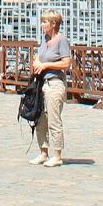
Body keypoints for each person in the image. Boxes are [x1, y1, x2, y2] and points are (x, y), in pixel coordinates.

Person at [30, 10, 74, 167]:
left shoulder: (61, 40)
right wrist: (36, 61)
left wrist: (46, 65)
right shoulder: (45, 39)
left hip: (54, 83)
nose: (42, 25)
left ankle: (57, 154)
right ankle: (43, 151)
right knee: (40, 118)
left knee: (53, 119)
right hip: (42, 83)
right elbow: (40, 55)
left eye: (45, 22)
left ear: (53, 24)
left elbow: (66, 63)